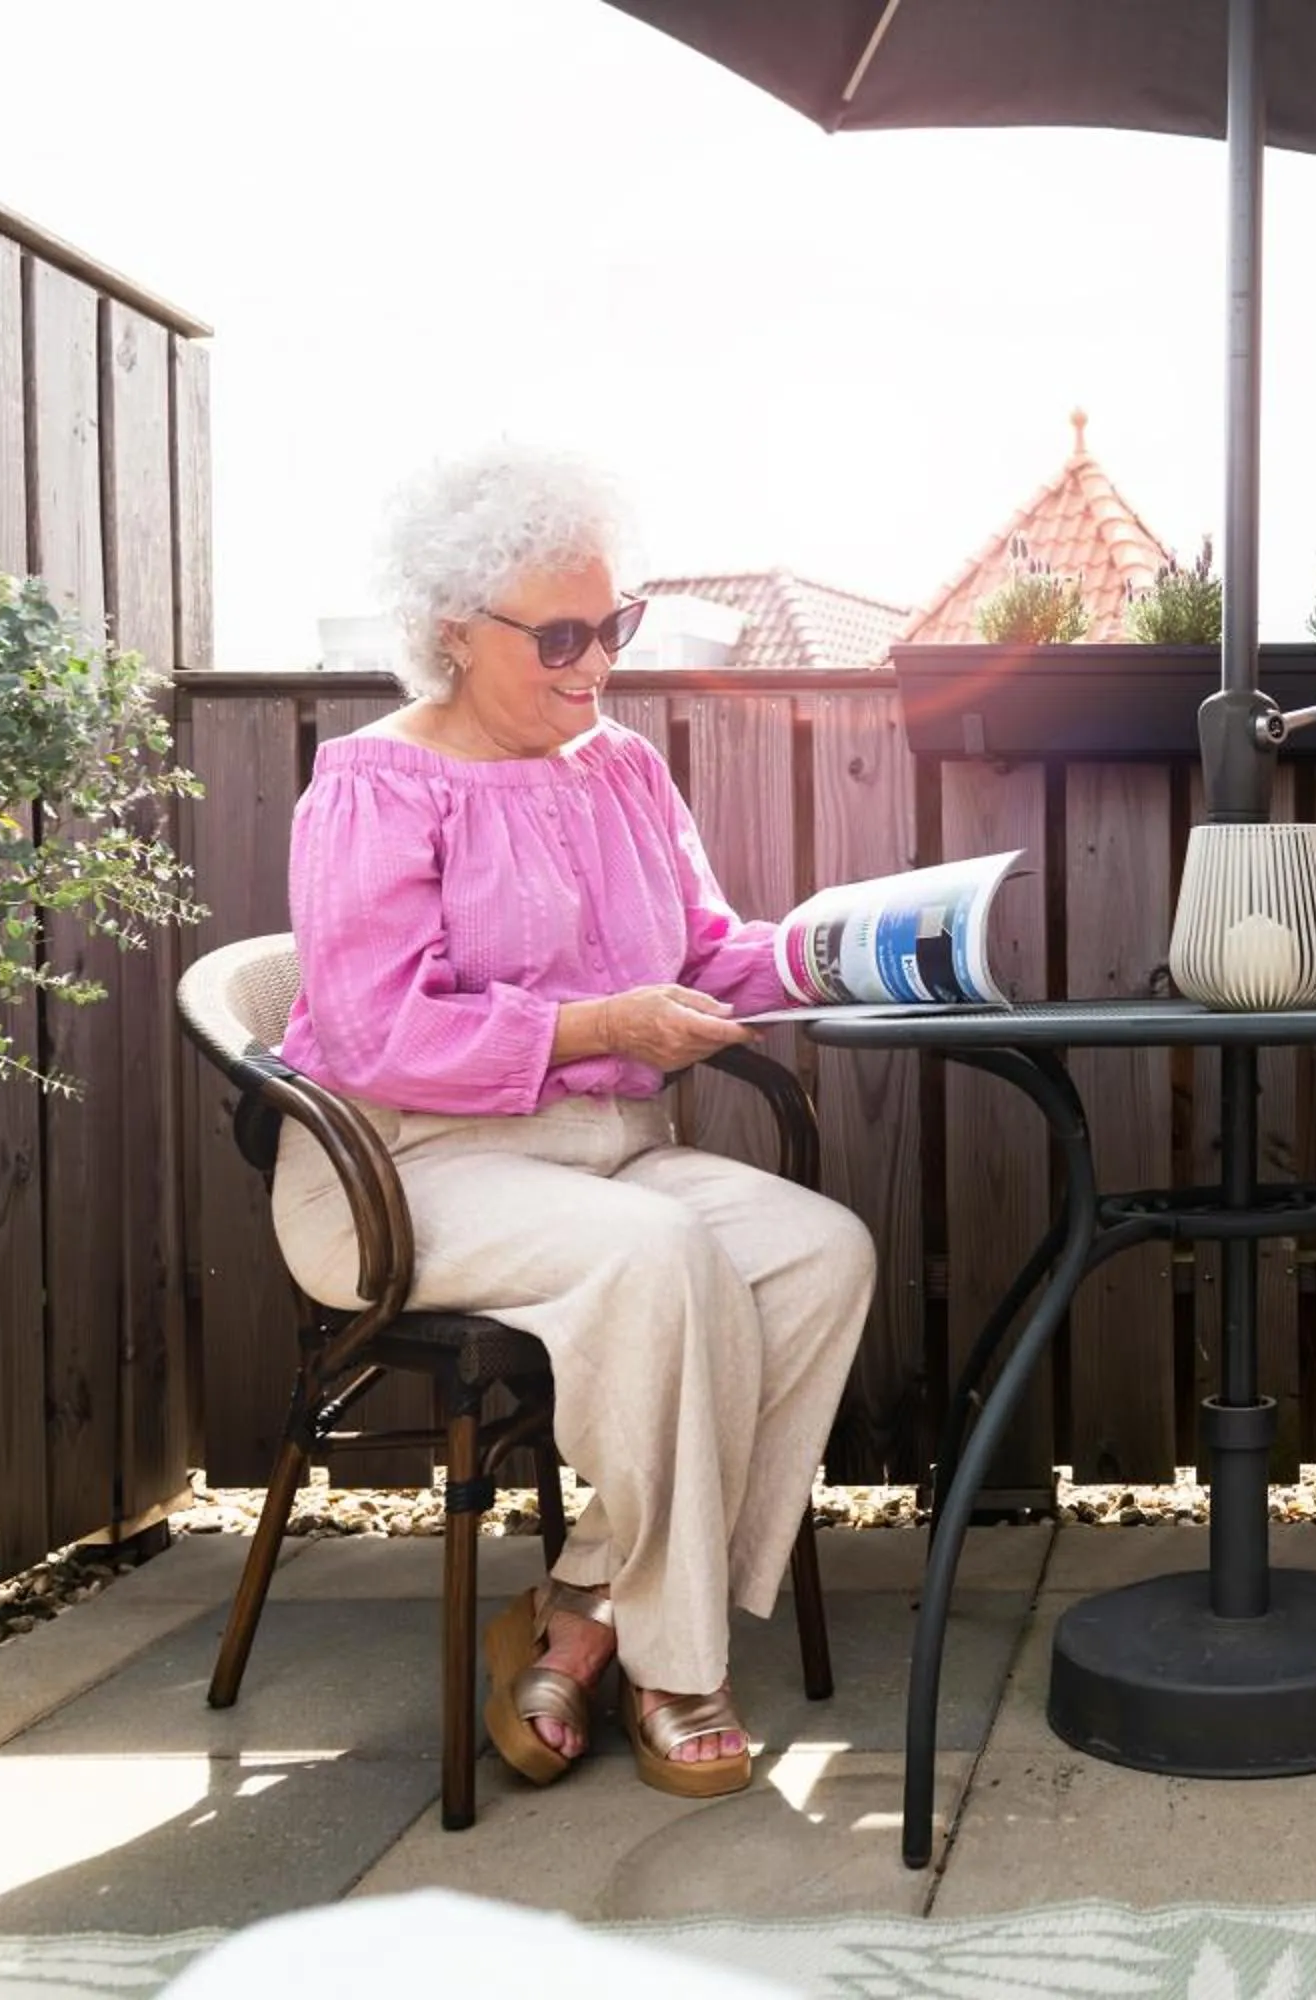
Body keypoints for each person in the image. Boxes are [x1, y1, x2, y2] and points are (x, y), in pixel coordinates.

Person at [270, 446, 875, 1801]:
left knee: (819, 1251)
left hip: (598, 1156)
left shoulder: (623, 772)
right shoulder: (375, 785)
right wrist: (602, 1028)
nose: (595, 662)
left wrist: (836, 954)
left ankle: (586, 1611)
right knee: (658, 1259)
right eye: (559, 636)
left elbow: (703, 952)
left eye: (614, 626)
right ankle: (677, 1666)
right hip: (400, 1170)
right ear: (452, 630)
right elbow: (374, 1031)